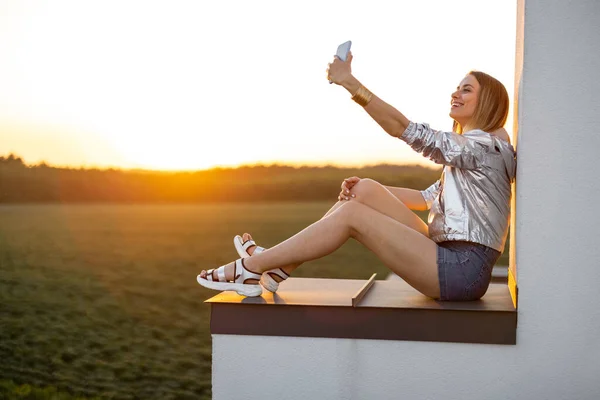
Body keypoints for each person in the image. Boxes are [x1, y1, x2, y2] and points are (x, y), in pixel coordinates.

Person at [197, 51, 516, 301]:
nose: (455, 93)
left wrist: (351, 83)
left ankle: (250, 268)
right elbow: (426, 199)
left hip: (461, 271)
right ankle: (278, 266)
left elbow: (404, 129)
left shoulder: (482, 146)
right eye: (457, 87)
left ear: (487, 100)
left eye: (466, 89)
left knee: (351, 215)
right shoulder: (476, 151)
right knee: (362, 191)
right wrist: (366, 190)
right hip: (449, 257)